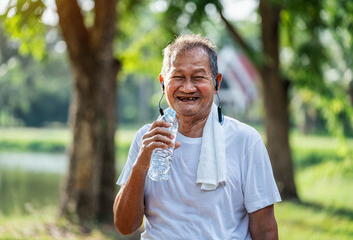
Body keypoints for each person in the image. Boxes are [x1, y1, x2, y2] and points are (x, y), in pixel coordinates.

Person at [113, 34, 281, 240]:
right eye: (178, 77)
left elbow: (265, 231)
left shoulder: (245, 140)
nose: (187, 87)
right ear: (163, 83)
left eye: (198, 77)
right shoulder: (146, 138)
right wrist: (140, 165)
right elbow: (125, 226)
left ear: (216, 83)